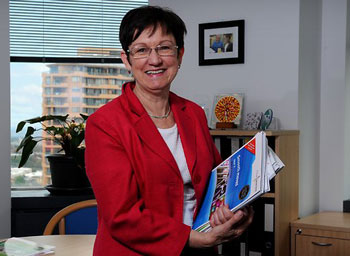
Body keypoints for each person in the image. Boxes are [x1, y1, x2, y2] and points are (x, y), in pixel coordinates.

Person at [85, 5, 253, 256]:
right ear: (126, 60)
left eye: (164, 47)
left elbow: (220, 182)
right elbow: (122, 216)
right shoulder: (105, 124)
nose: (155, 60)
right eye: (141, 50)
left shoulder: (193, 114)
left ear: (180, 54)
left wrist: (239, 209)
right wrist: (194, 239)